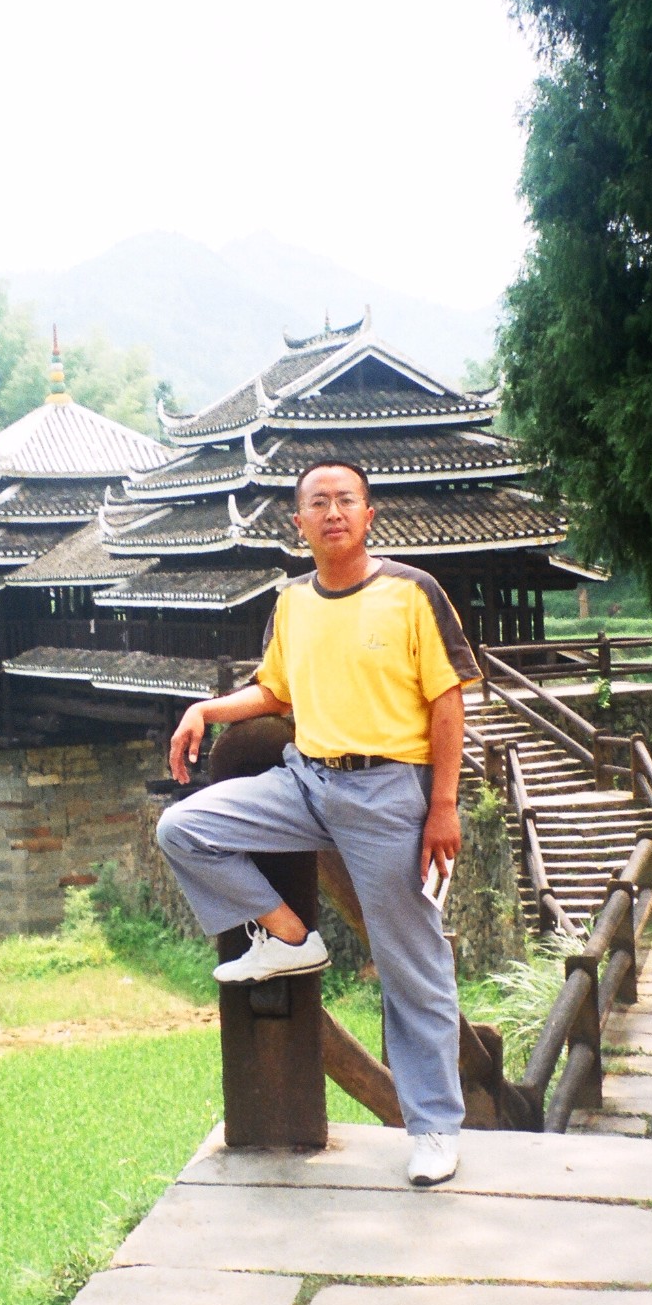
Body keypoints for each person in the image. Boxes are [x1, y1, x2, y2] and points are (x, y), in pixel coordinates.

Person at [153, 459, 477, 1186]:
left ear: (368, 516)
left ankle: (432, 1129)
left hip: (392, 793)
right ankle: (292, 939)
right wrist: (206, 709)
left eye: (345, 501)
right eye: (317, 503)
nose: (332, 513)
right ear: (297, 524)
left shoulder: (409, 593)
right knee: (185, 829)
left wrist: (444, 804)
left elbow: (449, 701)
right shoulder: (293, 602)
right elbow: (275, 690)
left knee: (410, 965)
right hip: (306, 779)